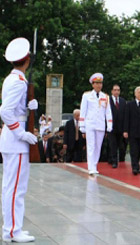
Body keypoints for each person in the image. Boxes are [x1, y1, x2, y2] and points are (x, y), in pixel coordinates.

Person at [0, 37, 38, 242]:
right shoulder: (18, 82)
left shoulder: (12, 79)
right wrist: (21, 133)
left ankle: (14, 228)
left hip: (12, 140)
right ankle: (11, 231)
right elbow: (5, 111)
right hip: (15, 141)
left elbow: (13, 108)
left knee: (12, 187)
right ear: (27, 60)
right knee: (15, 188)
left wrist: (28, 107)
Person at [79, 73, 113, 175]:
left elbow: (108, 111)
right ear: (92, 84)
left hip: (100, 124)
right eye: (96, 83)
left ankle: (95, 164)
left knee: (98, 146)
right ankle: (91, 167)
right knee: (91, 146)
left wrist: (109, 124)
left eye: (100, 83)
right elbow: (83, 110)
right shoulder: (87, 95)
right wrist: (82, 125)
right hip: (90, 123)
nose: (99, 85)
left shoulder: (105, 96)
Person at [124, 86, 140, 175]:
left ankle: (137, 165)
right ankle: (134, 167)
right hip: (132, 132)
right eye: (139, 93)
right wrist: (125, 131)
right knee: (133, 150)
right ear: (135, 94)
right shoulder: (130, 104)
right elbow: (126, 118)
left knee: (139, 150)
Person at [108, 84, 127, 168]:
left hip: (121, 127)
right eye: (115, 90)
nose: (116, 91)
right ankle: (114, 161)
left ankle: (121, 159)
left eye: (118, 90)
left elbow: (125, 114)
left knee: (122, 145)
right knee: (113, 145)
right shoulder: (108, 100)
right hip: (111, 127)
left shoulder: (123, 101)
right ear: (112, 91)